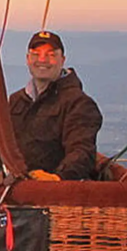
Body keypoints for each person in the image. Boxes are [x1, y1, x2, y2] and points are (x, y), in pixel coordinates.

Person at [8, 30, 103, 181]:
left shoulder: (78, 103)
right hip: (15, 184)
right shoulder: (16, 100)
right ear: (27, 59)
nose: (42, 60)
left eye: (51, 55)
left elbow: (82, 151)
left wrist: (58, 177)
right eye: (36, 54)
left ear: (62, 60)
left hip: (52, 191)